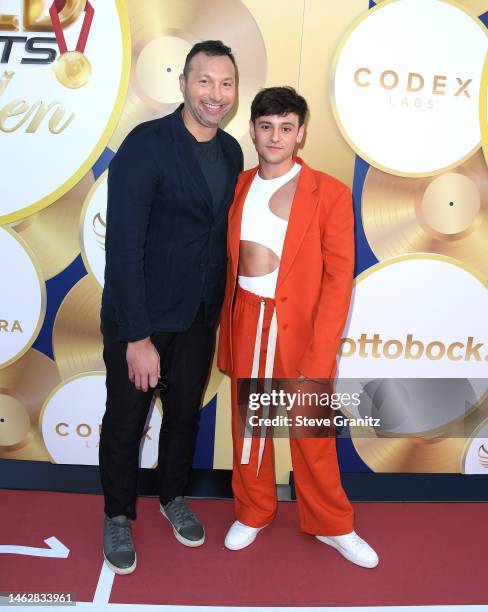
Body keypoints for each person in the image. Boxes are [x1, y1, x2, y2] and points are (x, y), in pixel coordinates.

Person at [217, 86, 379, 568]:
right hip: (247, 315)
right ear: (252, 129)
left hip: (303, 327)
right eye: (266, 127)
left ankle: (332, 524)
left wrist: (322, 348)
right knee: (250, 427)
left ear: (301, 133)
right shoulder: (238, 184)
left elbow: (338, 280)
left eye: (286, 127)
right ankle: (253, 510)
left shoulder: (329, 193)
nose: (275, 137)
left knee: (311, 432)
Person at [99, 40, 243, 575]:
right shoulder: (147, 144)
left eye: (225, 83)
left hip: (199, 318)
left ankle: (171, 495)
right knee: (126, 422)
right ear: (183, 83)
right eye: (204, 81)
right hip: (142, 319)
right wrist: (136, 336)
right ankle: (117, 514)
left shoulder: (230, 152)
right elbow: (124, 245)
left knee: (183, 418)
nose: (216, 94)